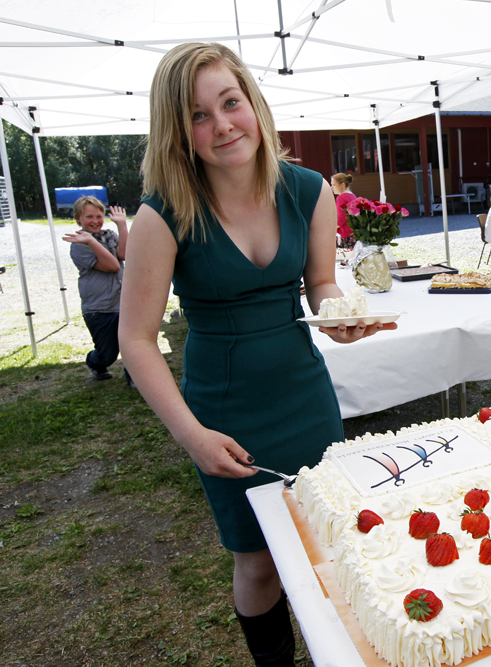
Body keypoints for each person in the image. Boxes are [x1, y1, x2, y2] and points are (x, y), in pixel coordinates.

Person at [118, 43, 394, 667]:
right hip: (225, 411)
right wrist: (191, 435)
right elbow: (135, 339)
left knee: (327, 538)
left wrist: (338, 319)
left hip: (305, 396)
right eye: (198, 115)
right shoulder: (163, 214)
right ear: (177, 130)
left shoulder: (307, 190)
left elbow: (319, 284)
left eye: (230, 102)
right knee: (260, 560)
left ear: (253, 102)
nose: (221, 125)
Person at [63, 196, 131, 385]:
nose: (95, 221)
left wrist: (122, 225)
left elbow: (124, 254)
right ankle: (95, 363)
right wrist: (91, 241)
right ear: (78, 219)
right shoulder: (78, 245)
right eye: (89, 217)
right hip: (99, 308)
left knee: (131, 342)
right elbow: (112, 266)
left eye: (99, 216)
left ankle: (134, 377)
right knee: (107, 354)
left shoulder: (109, 235)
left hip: (123, 302)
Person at [332, 172, 355, 248]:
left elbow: (342, 219)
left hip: (345, 234)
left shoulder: (341, 198)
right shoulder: (352, 195)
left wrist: (332, 228)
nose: (332, 187)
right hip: (354, 232)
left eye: (334, 185)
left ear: (342, 184)